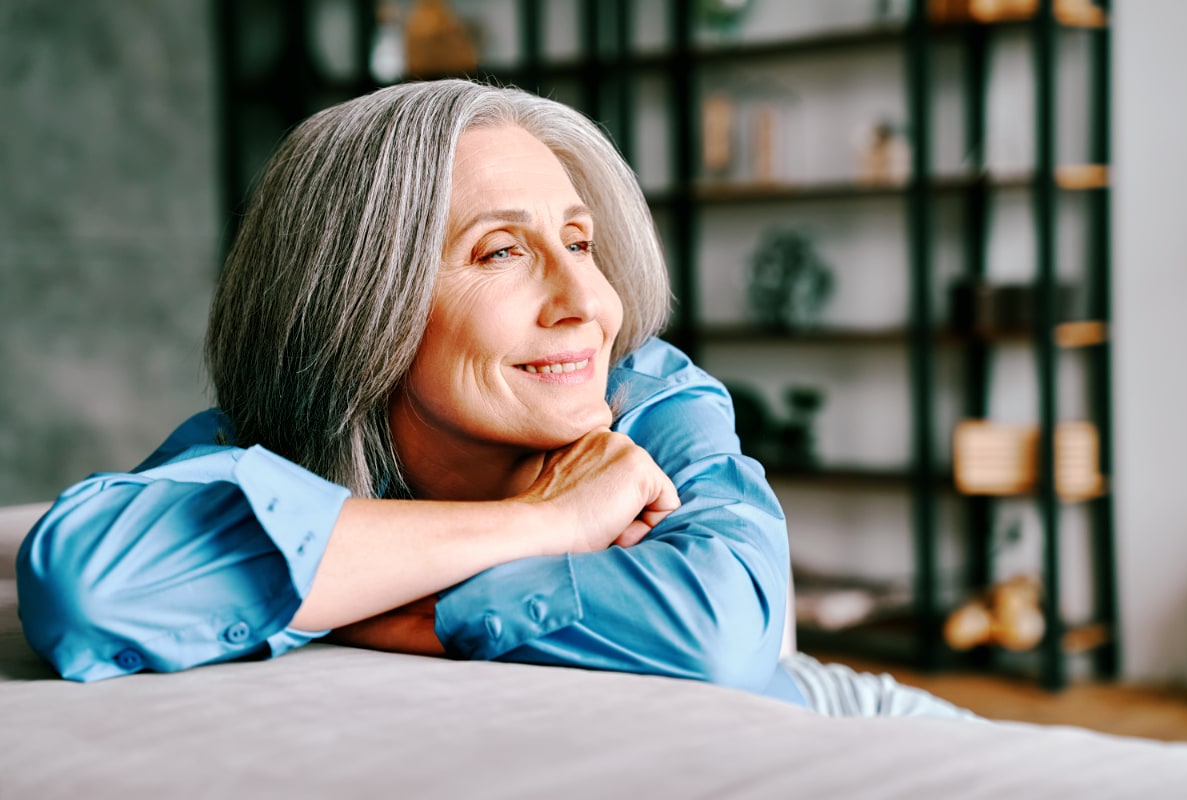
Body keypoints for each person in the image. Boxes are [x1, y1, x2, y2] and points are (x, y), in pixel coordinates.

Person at [16, 79, 972, 719]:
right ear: (358, 302)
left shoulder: (649, 395)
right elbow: (92, 588)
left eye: (580, 241)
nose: (590, 304)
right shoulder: (267, 437)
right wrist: (544, 522)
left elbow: (719, 634)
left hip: (851, 720)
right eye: (503, 252)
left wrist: (375, 602)